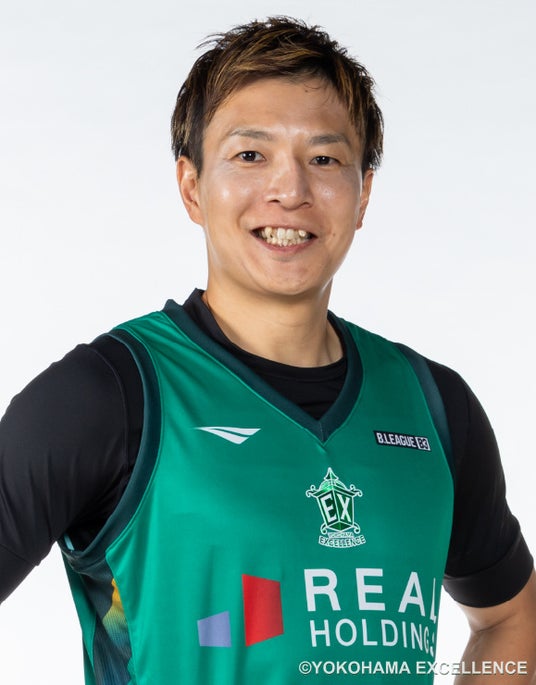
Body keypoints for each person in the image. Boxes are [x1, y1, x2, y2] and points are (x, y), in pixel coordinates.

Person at [0, 16, 535, 684]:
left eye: (325, 159)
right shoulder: (108, 397)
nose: (290, 190)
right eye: (251, 155)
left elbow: (510, 617)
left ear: (363, 193)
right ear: (192, 187)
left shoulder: (433, 406)